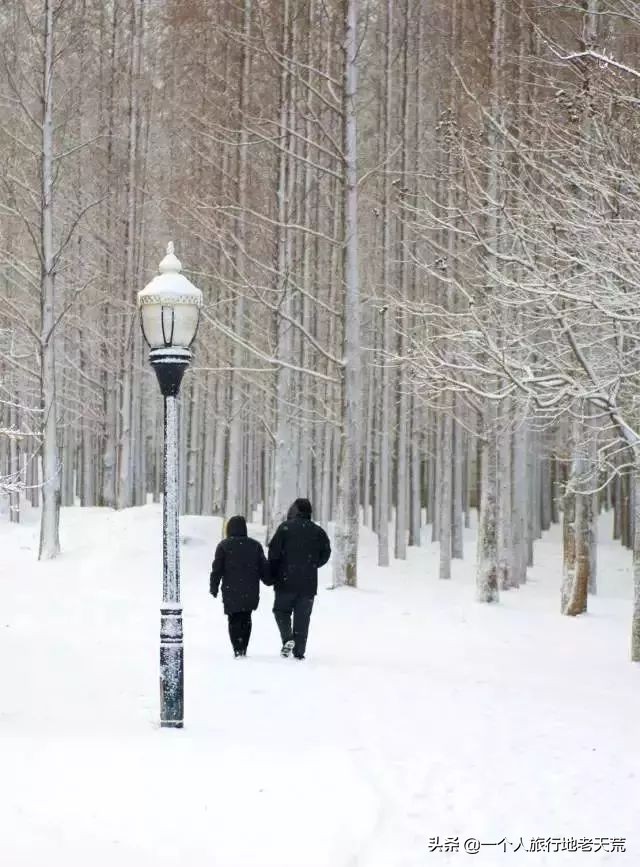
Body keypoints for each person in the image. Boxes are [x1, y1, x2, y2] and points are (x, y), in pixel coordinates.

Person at [267, 498, 331, 660]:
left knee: (281, 611)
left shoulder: (285, 528)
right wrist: (313, 564)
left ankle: (288, 638)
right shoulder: (318, 531)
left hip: (285, 581)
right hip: (308, 584)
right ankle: (299, 652)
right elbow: (326, 553)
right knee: (302, 619)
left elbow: (273, 553)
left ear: (294, 511)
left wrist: (273, 572)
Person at [210, 515, 268, 658]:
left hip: (231, 590)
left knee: (234, 618)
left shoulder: (223, 546)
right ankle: (244, 646)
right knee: (246, 618)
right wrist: (270, 579)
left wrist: (214, 586)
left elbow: (217, 569)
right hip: (250, 590)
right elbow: (264, 568)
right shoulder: (255, 545)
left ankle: (237, 647)